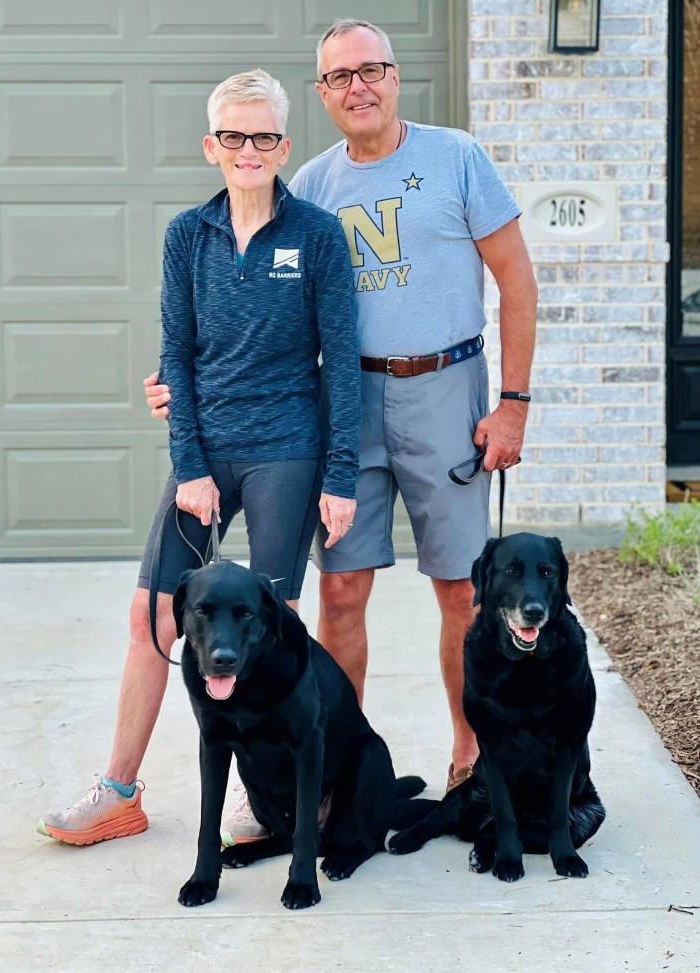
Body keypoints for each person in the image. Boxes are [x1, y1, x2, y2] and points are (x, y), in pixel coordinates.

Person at [147, 16, 537, 831]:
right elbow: (248, 299)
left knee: (462, 589)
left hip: (447, 387)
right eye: (339, 78)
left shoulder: (456, 158)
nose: (357, 87)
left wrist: (514, 400)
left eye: (372, 71)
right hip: (345, 399)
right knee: (342, 591)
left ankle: (468, 756)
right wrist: (183, 386)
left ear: (396, 78)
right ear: (321, 95)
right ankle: (327, 761)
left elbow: (517, 279)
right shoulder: (313, 184)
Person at [36, 69, 361, 846]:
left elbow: (342, 362)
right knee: (153, 611)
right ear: (211, 146)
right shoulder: (188, 234)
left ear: (284, 144)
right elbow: (175, 357)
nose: (248, 149)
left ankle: (263, 790)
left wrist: (340, 475)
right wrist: (189, 465)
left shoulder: (316, 236)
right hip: (206, 446)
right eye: (233, 136)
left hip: (287, 446)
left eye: (264, 136)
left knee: (270, 622)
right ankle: (119, 790)